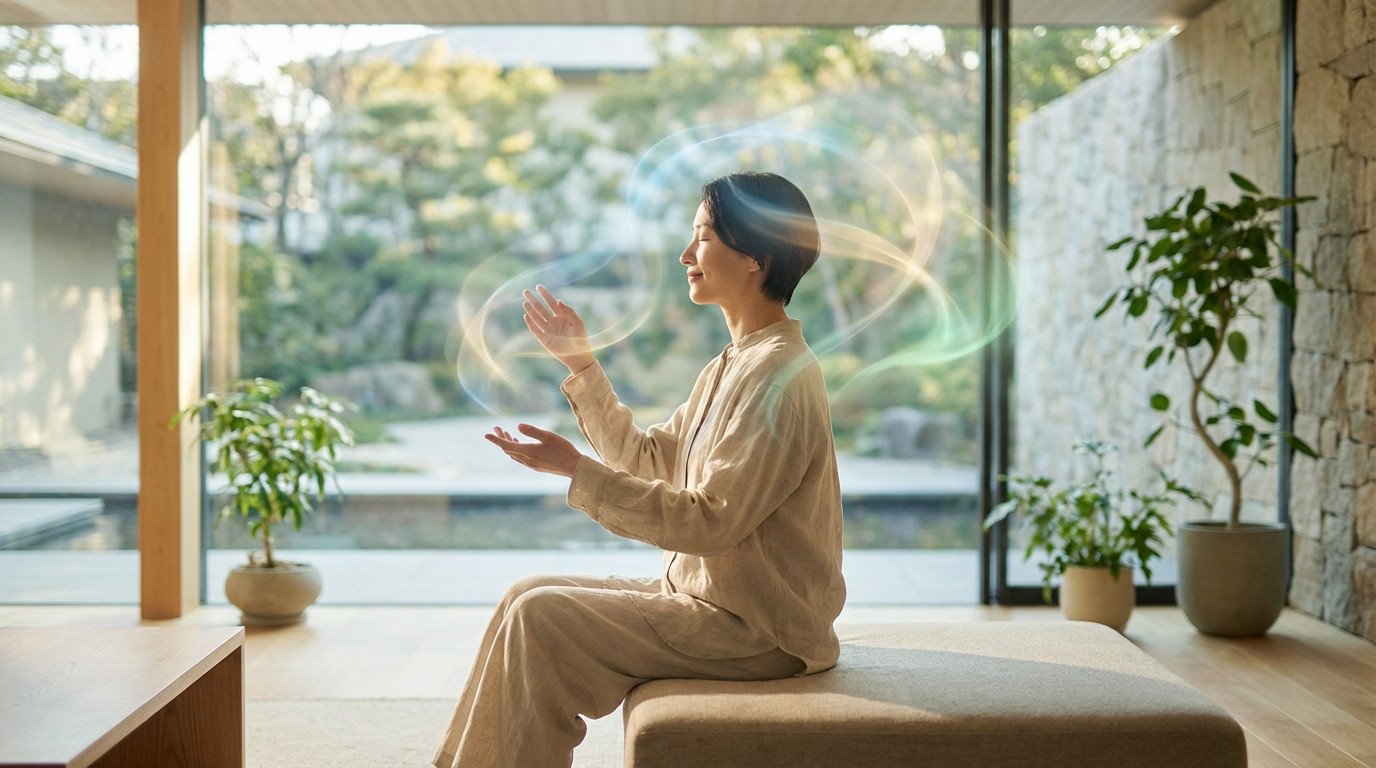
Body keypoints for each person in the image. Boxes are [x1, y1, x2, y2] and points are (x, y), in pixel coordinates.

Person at [432, 171, 846, 768]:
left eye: (702, 237)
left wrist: (579, 472)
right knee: (525, 593)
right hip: (711, 601)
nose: (685, 255)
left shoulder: (778, 378)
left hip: (759, 631)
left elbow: (709, 524)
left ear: (755, 256)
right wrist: (579, 363)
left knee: (541, 619)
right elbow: (654, 461)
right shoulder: (733, 364)